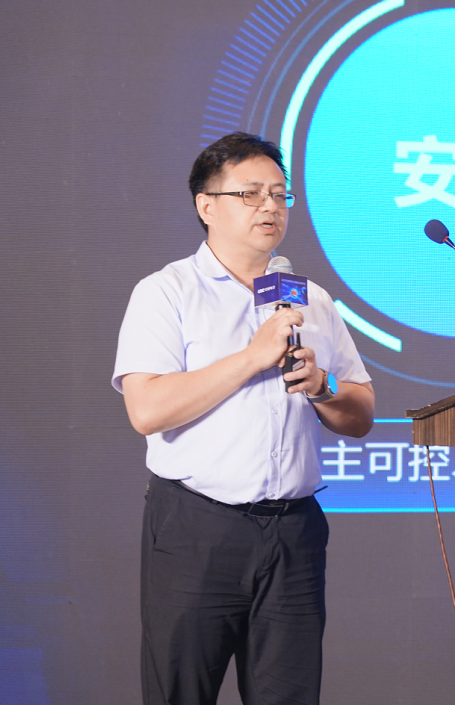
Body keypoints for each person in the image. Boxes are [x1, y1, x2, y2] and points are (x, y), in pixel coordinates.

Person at [112, 132, 374, 705]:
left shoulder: (311, 299)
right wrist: (252, 358)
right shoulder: (167, 292)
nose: (269, 207)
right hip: (197, 528)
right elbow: (147, 409)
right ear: (206, 205)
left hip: (294, 534)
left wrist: (323, 387)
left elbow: (360, 414)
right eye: (250, 194)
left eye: (280, 194)